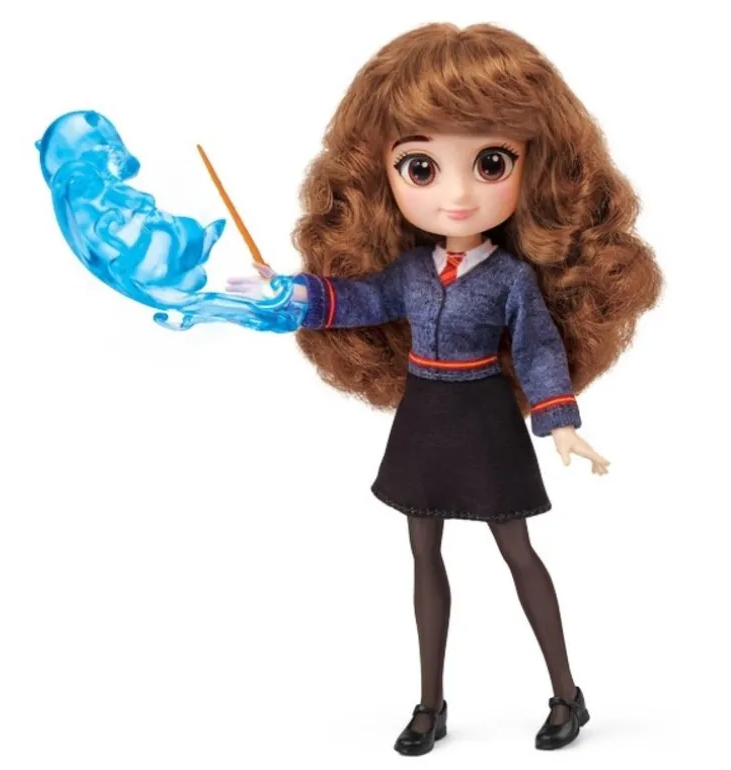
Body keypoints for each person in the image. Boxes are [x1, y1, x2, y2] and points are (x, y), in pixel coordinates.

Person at [224, 21, 663, 755]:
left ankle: (567, 693)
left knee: (517, 551)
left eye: (491, 163)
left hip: (485, 417)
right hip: (425, 415)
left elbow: (537, 345)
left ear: (535, 167)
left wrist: (559, 420)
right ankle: (430, 705)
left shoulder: (511, 277)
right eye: (421, 167)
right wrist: (291, 291)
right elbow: (359, 300)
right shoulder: (409, 271)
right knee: (423, 554)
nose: (457, 194)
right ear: (380, 174)